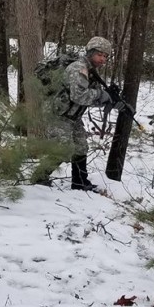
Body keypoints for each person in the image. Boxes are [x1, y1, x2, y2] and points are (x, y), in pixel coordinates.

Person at [35, 36, 115, 191]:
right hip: (57, 115)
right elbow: (78, 96)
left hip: (73, 116)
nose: (103, 59)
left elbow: (87, 99)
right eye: (100, 55)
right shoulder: (79, 68)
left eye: (105, 56)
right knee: (62, 149)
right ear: (91, 53)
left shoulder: (91, 71)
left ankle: (80, 182)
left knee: (81, 147)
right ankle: (39, 178)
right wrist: (100, 95)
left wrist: (108, 98)